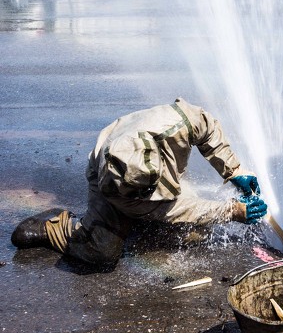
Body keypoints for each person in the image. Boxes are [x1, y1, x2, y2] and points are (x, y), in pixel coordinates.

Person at [12, 98, 267, 271]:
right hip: (114, 191)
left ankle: (137, 222)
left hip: (146, 172)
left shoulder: (176, 124)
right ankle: (57, 226)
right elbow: (175, 209)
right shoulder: (115, 186)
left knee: (194, 233)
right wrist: (232, 211)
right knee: (103, 254)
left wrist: (233, 170)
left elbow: (207, 128)